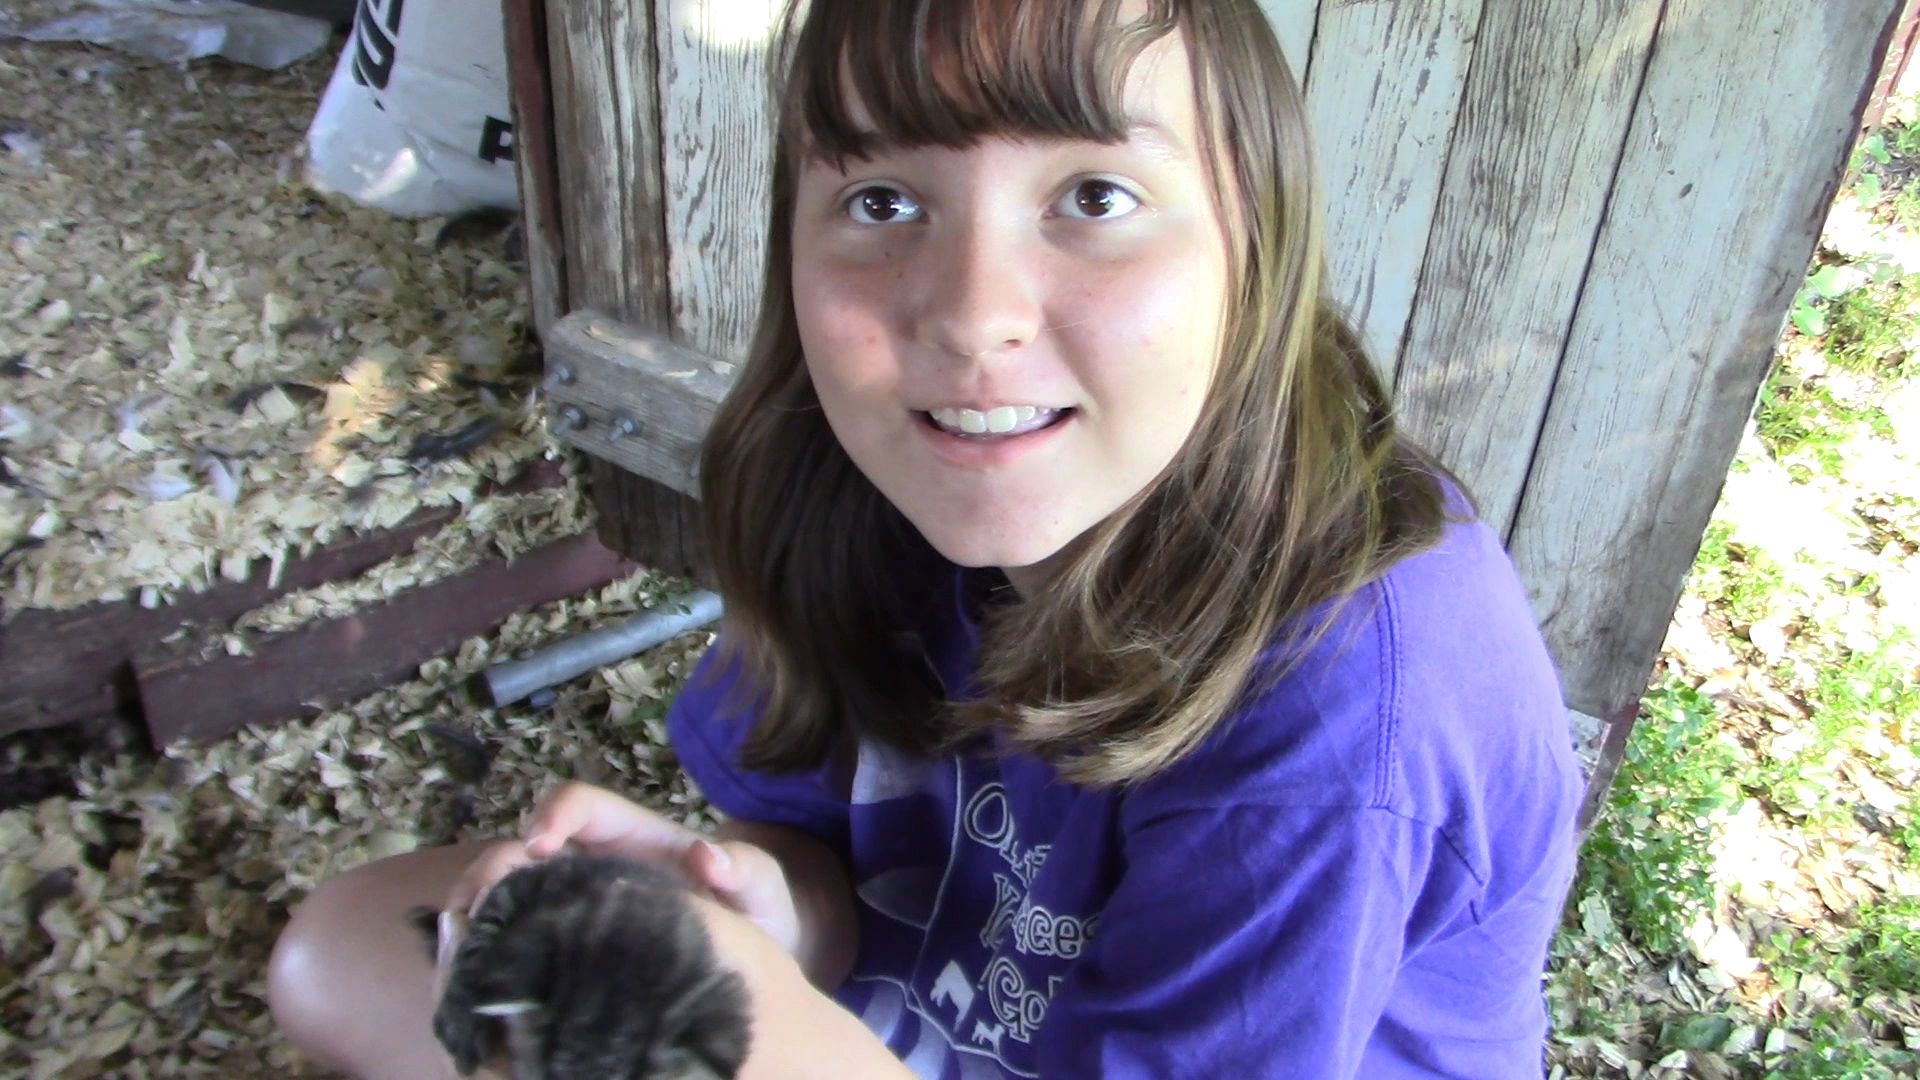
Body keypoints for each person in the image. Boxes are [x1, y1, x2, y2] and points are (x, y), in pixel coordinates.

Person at [268, 0, 1584, 1077]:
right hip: (928, 1015)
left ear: (1257, 247)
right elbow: (831, 870)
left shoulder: (1351, 698)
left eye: (1095, 197)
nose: (970, 315)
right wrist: (757, 904)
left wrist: (757, 1047)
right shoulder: (876, 481)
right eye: (887, 203)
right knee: (345, 953)